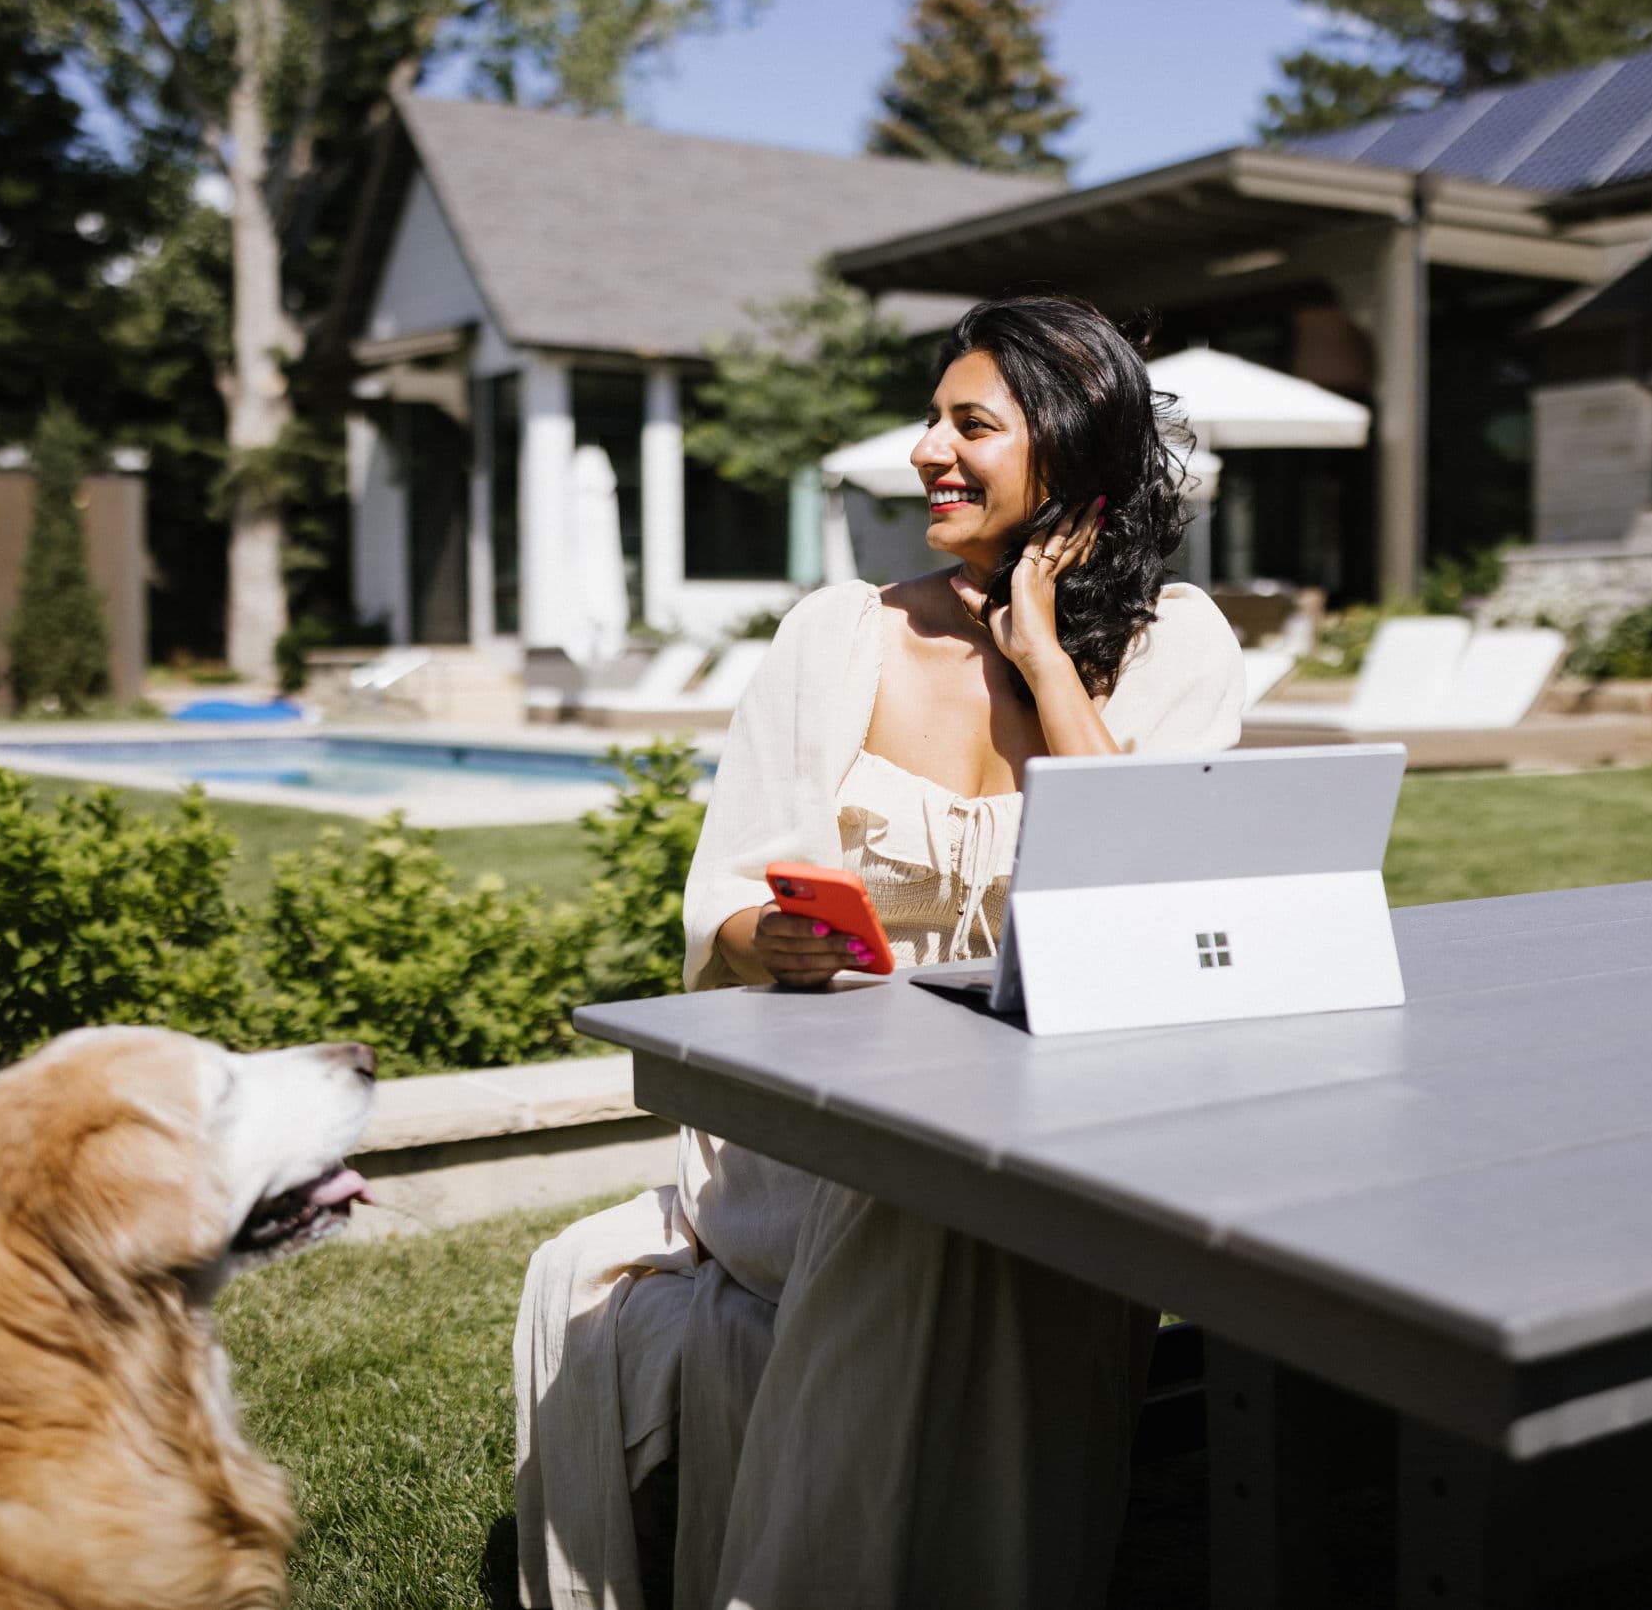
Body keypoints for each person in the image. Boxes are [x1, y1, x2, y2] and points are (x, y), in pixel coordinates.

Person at [513, 295, 1246, 1610]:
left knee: (987, 1187)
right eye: (930, 420)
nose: (926, 451)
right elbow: (721, 901)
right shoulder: (835, 636)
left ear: (1070, 454)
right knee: (931, 1185)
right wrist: (769, 938)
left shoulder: (1175, 646)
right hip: (821, 1133)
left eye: (971, 424)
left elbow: (1153, 887)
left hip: (1070, 1124)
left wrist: (1042, 655)